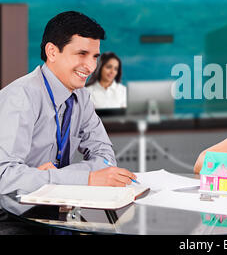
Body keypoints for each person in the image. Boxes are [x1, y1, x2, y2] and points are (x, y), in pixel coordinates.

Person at [0, 11, 137, 195]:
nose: (90, 67)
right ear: (52, 52)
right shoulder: (21, 97)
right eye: (82, 54)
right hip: (12, 217)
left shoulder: (81, 96)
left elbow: (106, 157)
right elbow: (5, 177)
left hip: (58, 208)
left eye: (95, 56)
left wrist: (63, 177)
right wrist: (86, 178)